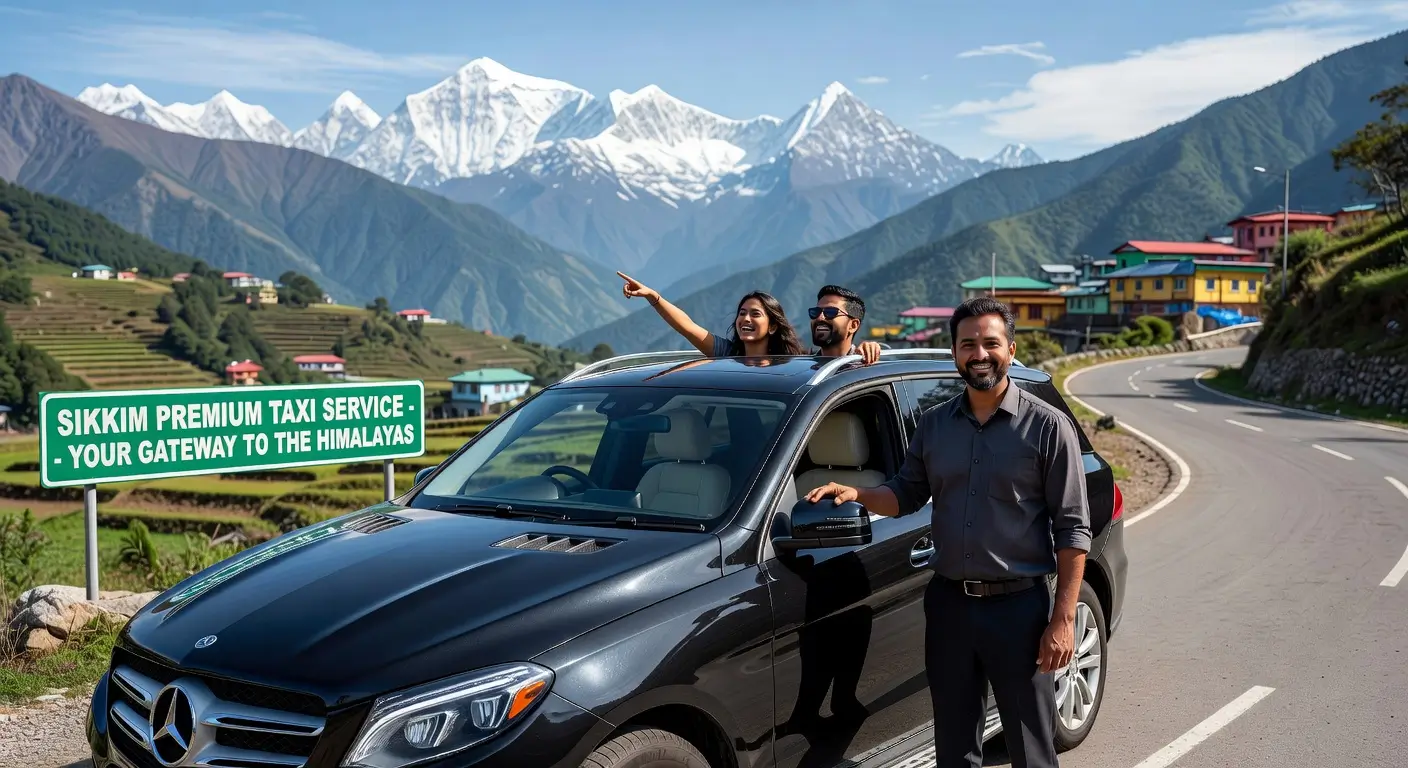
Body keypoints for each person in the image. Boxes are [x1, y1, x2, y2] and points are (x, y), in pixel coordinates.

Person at [802, 296, 1092, 768]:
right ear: (956, 352)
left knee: (1031, 747)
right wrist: (854, 492)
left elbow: (1073, 530)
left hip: (1019, 610)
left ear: (1011, 350)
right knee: (954, 746)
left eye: (990, 343)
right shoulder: (935, 426)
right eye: (968, 344)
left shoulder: (1048, 428)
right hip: (949, 606)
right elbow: (904, 494)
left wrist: (1061, 620)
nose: (980, 354)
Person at [617, 271, 806, 356]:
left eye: (755, 314)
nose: (746, 319)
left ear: (773, 326)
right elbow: (687, 326)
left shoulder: (790, 366)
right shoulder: (727, 354)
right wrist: (652, 296)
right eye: (742, 313)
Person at [806, 285, 881, 364]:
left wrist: (872, 350)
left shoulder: (864, 369)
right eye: (815, 312)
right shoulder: (804, 367)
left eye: (830, 312)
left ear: (853, 325)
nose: (820, 317)